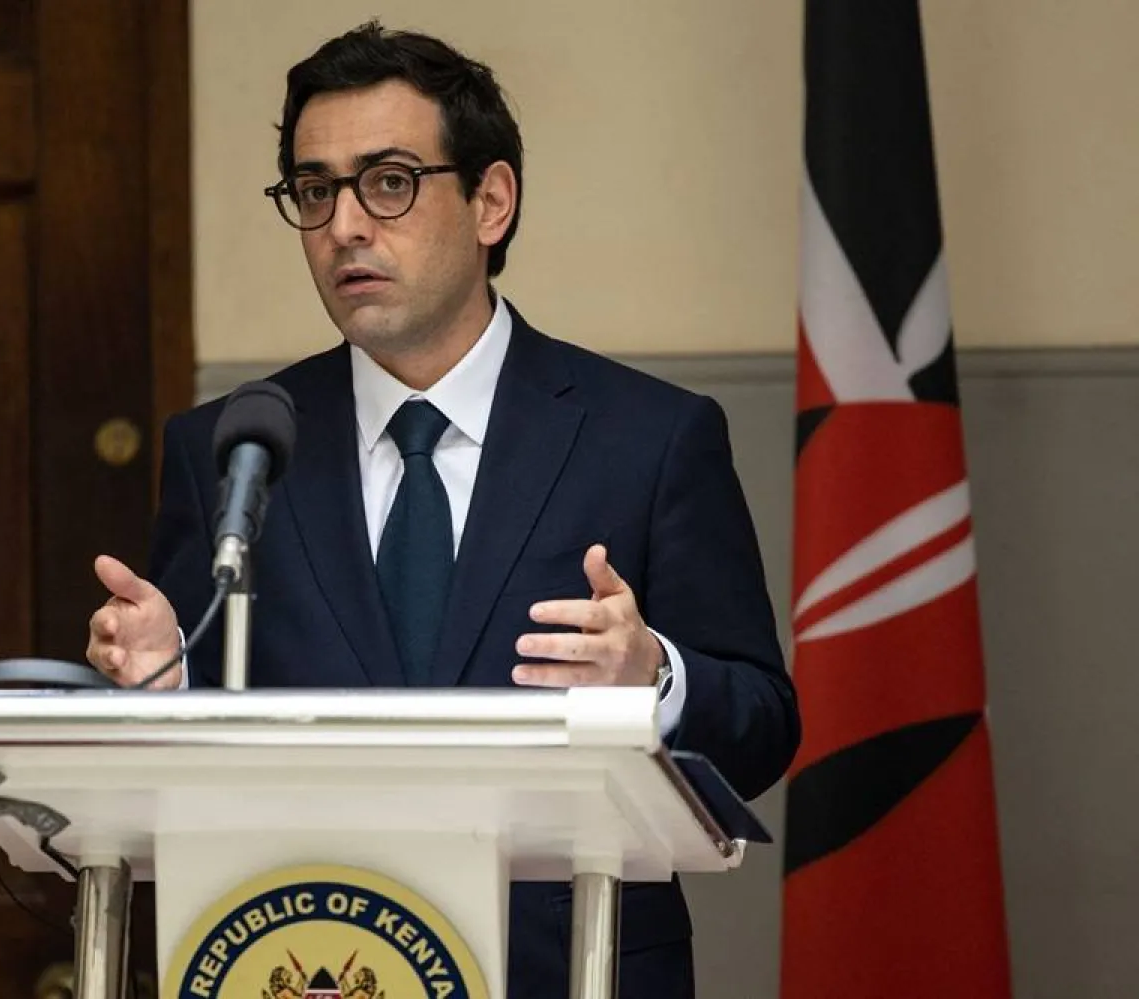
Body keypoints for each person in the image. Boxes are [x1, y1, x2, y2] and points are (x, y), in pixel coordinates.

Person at [86, 21, 799, 999]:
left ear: (490, 201)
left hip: (567, 968)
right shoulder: (236, 449)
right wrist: (160, 690)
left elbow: (763, 725)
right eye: (314, 190)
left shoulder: (650, 438)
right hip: (307, 962)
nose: (344, 226)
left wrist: (656, 677)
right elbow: (190, 720)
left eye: (387, 182)